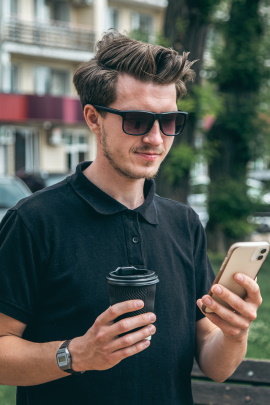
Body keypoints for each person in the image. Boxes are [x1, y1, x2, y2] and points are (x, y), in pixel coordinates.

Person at [0, 30, 262, 405]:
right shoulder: (34, 220)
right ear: (93, 118)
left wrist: (235, 334)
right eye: (138, 121)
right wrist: (76, 354)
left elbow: (214, 363)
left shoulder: (184, 223)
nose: (156, 138)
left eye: (169, 121)